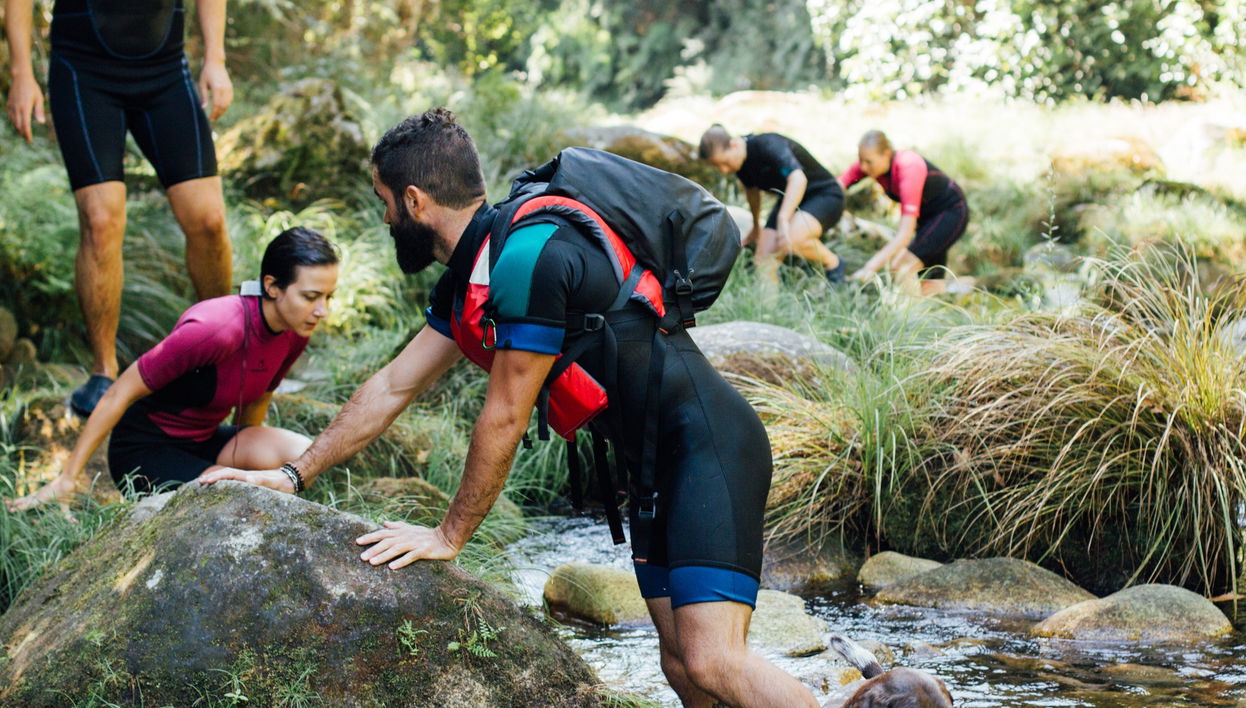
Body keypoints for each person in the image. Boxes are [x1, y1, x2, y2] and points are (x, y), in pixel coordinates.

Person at [201, 109, 820, 707]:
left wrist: (450, 537)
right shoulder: (478, 265)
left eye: (384, 201)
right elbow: (393, 385)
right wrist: (292, 475)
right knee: (683, 668)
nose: (385, 217)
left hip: (709, 450)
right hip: (655, 467)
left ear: (414, 201)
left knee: (715, 661)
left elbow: (505, 414)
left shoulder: (528, 256)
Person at [5, 0, 235, 416]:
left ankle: (219, 352)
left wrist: (215, 59)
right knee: (100, 221)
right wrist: (22, 73)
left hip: (166, 70)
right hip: (83, 71)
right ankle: (103, 371)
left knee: (208, 219)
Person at [4, 227, 338, 512]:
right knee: (234, 497)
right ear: (272, 286)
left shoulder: (296, 330)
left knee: (304, 456)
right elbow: (119, 392)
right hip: (144, 449)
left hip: (205, 439)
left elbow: (258, 399)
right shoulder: (216, 328)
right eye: (311, 296)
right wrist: (67, 478)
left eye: (328, 296)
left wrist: (244, 459)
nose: (321, 310)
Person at [699, 124, 845, 284]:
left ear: (734, 144)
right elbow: (752, 192)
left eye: (724, 163)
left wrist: (783, 219)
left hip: (824, 195)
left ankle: (834, 263)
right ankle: (769, 308)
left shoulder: (767, 144)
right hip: (790, 199)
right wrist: (756, 227)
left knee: (794, 239)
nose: (724, 170)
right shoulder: (740, 164)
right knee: (763, 260)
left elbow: (798, 178)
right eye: (718, 166)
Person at [838, 130, 971, 295]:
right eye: (860, 160)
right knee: (929, 282)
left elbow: (904, 235)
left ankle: (909, 316)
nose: (863, 167)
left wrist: (869, 268)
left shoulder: (908, 166)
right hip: (926, 219)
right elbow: (835, 187)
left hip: (950, 213)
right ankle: (942, 308)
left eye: (868, 162)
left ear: (886, 154)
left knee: (901, 266)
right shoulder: (869, 165)